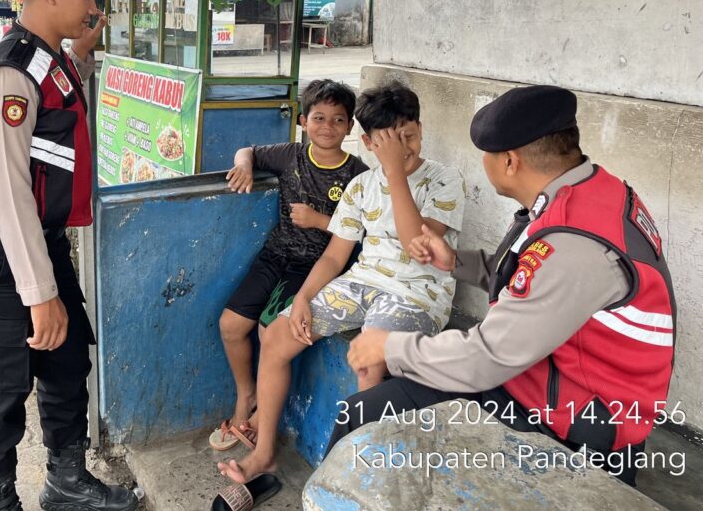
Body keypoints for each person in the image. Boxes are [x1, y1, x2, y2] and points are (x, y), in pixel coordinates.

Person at [328, 85, 676, 486]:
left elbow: (484, 359)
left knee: (360, 416)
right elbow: (540, 283)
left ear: (509, 161)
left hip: (571, 422)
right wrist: (459, 263)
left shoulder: (575, 243)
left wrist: (388, 346)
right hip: (551, 380)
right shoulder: (592, 192)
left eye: (487, 155)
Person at [0, 0, 137, 511]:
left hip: (38, 245)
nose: (96, 10)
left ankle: (67, 481)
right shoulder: (9, 75)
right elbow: (7, 193)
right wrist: (39, 292)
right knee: (2, 391)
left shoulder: (50, 60)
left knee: (68, 363)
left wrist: (83, 53)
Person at [219, 83, 466, 483]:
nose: (404, 149)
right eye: (390, 142)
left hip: (417, 292)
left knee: (369, 362)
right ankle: (264, 453)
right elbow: (335, 255)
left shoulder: (442, 180)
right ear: (368, 142)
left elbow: (415, 243)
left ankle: (358, 475)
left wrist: (394, 172)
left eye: (410, 136)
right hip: (363, 283)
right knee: (277, 334)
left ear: (421, 128)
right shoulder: (361, 187)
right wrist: (301, 299)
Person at [212, 80, 369, 451]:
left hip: (316, 267)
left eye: (337, 120)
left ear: (350, 127)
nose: (327, 127)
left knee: (270, 334)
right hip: (276, 254)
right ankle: (246, 395)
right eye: (319, 118)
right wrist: (244, 167)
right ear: (302, 121)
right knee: (231, 325)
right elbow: (246, 151)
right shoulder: (289, 155)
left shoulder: (359, 174)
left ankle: (260, 420)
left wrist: (319, 220)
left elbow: (363, 234)